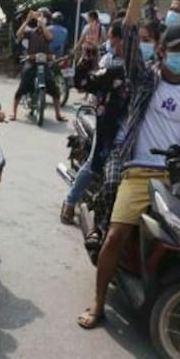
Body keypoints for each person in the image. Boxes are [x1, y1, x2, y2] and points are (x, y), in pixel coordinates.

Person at [79, 0, 180, 329]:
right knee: (115, 234)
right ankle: (97, 302)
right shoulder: (147, 81)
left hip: (177, 178)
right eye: (179, 49)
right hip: (140, 171)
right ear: (162, 52)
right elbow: (128, 40)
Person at [85, 21, 162, 253]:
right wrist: (87, 58)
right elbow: (83, 82)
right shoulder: (142, 74)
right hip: (123, 147)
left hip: (164, 159)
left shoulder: (179, 81)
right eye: (141, 40)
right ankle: (98, 226)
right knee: (110, 185)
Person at [61, 20, 130, 225]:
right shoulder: (114, 67)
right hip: (109, 127)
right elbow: (82, 82)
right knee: (95, 163)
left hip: (139, 138)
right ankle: (70, 202)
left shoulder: (153, 72)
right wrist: (87, 57)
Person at [11, 8, 65, 122]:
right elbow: (18, 34)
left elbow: (50, 37)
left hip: (43, 64)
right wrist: (27, 19)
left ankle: (58, 114)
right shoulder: (31, 32)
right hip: (31, 63)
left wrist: (42, 24)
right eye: (40, 16)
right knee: (22, 87)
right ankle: (13, 113)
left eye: (43, 17)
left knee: (54, 90)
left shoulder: (48, 32)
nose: (41, 18)